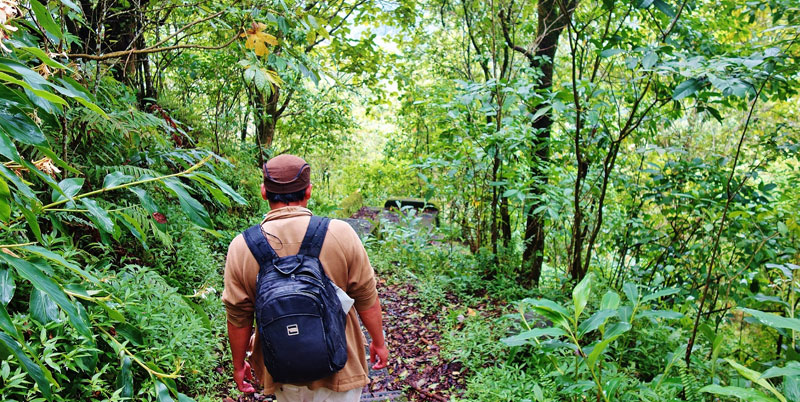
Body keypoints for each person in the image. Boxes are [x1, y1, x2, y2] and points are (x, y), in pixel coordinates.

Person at [222, 154, 389, 401]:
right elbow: (366, 297)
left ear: (264, 192)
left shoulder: (242, 246)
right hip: (340, 370)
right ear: (308, 191)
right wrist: (378, 342)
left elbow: (238, 317)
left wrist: (238, 366)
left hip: (281, 370)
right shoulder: (340, 233)